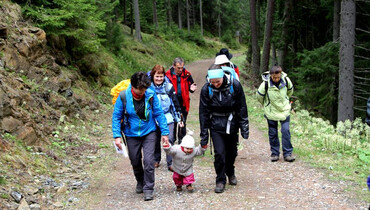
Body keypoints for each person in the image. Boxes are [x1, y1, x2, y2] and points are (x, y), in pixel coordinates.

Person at [112, 72, 169, 201]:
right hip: (131, 133)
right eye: (139, 92)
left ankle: (148, 188)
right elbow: (116, 117)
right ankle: (140, 181)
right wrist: (117, 136)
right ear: (133, 87)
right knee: (135, 160)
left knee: (149, 161)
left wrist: (165, 132)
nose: (141, 94)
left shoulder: (150, 94)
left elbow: (159, 113)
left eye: (144, 91)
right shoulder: (123, 96)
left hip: (149, 131)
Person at [199, 64, 249, 193]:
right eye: (212, 82)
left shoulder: (235, 86)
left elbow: (241, 106)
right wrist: (204, 136)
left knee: (232, 152)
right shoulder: (206, 89)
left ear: (222, 77)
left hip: (232, 123)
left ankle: (230, 172)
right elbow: (203, 113)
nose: (215, 84)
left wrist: (244, 127)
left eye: (218, 81)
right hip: (215, 125)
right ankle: (220, 180)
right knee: (219, 154)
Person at [256, 65, 295, 163]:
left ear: (281, 75)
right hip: (271, 111)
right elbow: (259, 96)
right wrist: (266, 104)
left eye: (278, 77)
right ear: (270, 76)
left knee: (286, 131)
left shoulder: (286, 80)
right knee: (273, 133)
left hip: (284, 110)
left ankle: (288, 154)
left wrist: (285, 101)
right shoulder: (265, 84)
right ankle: (275, 153)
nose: (276, 79)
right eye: (274, 77)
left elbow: (290, 91)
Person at [149, 65, 184, 171]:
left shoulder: (169, 87)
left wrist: (179, 119)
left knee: (170, 138)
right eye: (157, 76)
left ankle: (170, 162)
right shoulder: (148, 88)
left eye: (161, 76)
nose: (159, 79)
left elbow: (175, 103)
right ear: (153, 76)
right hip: (153, 117)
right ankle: (156, 159)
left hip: (167, 116)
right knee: (154, 139)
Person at [166, 57, 197, 143]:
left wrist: (192, 88)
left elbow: (192, 85)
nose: (180, 69)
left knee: (183, 121)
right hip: (172, 103)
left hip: (184, 102)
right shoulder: (167, 75)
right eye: (178, 68)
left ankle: (182, 141)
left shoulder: (187, 74)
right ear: (173, 66)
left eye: (182, 67)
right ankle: (172, 140)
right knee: (173, 122)